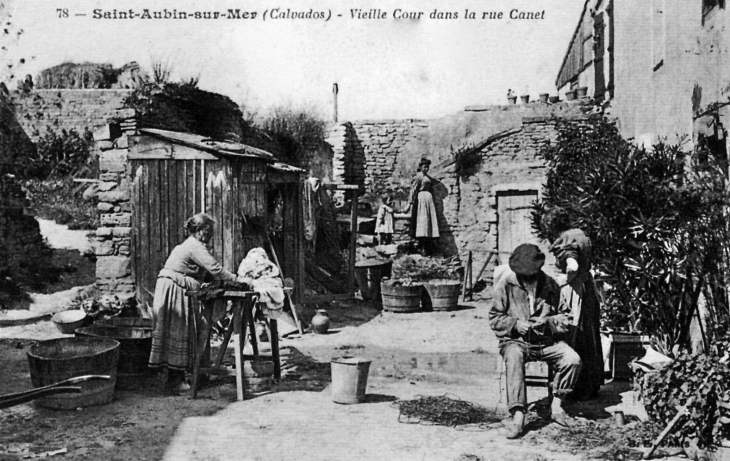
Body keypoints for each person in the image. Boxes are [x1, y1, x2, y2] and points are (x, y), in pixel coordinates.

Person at [489, 243, 582, 439]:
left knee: (572, 359)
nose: (527, 277)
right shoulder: (506, 285)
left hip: (546, 342)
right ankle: (518, 415)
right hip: (517, 341)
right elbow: (494, 318)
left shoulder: (550, 285)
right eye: (523, 273)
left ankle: (556, 406)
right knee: (514, 357)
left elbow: (566, 317)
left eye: (531, 273)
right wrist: (515, 324)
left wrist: (548, 322)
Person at [148, 213, 242, 395]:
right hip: (173, 288)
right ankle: (174, 380)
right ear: (199, 231)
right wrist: (238, 280)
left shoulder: (194, 245)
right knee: (178, 329)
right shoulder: (194, 246)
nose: (211, 235)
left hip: (174, 285)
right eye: (209, 231)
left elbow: (205, 272)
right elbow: (214, 268)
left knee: (181, 330)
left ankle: (185, 376)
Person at [550, 227, 604, 400]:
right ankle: (591, 386)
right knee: (590, 338)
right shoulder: (581, 235)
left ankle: (575, 388)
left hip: (576, 292)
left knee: (575, 336)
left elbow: (572, 265)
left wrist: (564, 280)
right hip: (588, 289)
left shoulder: (567, 238)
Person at [407, 158, 439, 254]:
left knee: (428, 222)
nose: (426, 168)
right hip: (421, 199)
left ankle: (427, 246)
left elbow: (434, 182)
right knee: (422, 222)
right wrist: (410, 203)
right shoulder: (418, 177)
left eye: (428, 167)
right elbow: (413, 190)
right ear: (420, 167)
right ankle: (421, 246)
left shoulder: (427, 177)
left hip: (428, 200)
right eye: (425, 167)